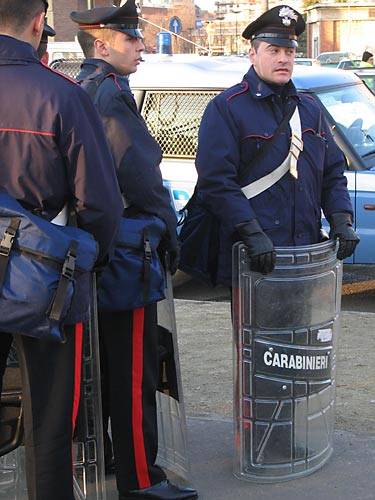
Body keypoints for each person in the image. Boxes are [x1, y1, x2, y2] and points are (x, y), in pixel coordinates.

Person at [70, 2, 197, 499]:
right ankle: (140, 479)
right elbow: (142, 178)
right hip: (126, 253)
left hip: (101, 251)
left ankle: (109, 460)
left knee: (103, 368)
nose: (142, 46)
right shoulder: (110, 96)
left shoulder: (85, 89)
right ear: (102, 44)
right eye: (131, 38)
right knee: (132, 372)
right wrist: (170, 229)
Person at [0, 1, 123, 499]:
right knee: (51, 415)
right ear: (37, 24)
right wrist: (96, 254)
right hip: (44, 273)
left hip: (40, 268)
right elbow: (100, 201)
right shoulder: (62, 96)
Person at [188, 4, 359, 288]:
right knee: (258, 333)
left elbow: (332, 171)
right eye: (273, 50)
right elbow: (216, 181)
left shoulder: (309, 107)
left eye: (289, 52)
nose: (283, 59)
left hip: (305, 253)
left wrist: (341, 219)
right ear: (252, 53)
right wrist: (251, 233)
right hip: (254, 256)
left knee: (305, 332)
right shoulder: (227, 108)